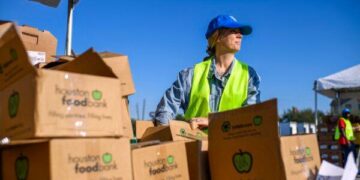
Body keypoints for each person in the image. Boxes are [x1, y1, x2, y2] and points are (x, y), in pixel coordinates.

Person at [154, 15, 261, 130]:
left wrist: (214, 122)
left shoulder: (249, 75)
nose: (240, 35)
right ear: (217, 37)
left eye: (240, 32)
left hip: (235, 147)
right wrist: (170, 136)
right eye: (233, 31)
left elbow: (252, 117)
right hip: (195, 146)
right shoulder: (190, 75)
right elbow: (164, 111)